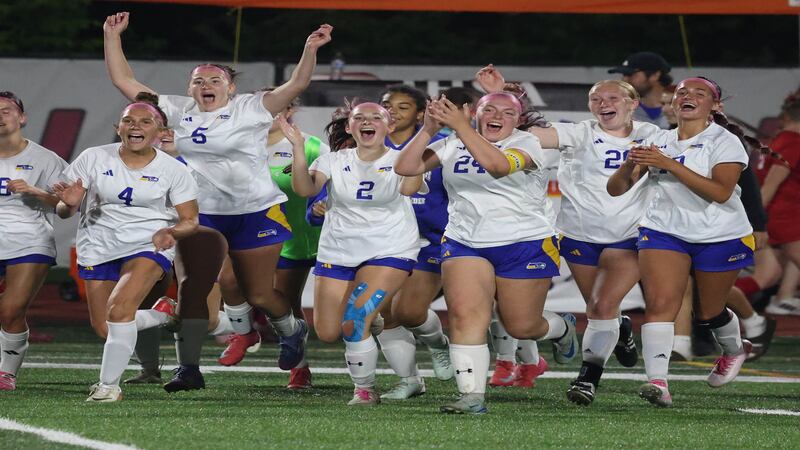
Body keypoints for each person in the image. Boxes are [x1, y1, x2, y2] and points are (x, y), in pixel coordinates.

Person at [102, 12, 332, 391]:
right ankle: (188, 369)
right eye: (198, 80)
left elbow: (298, 82)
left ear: (230, 88)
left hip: (256, 210)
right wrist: (113, 37)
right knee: (193, 288)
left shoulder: (252, 108)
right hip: (202, 214)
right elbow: (124, 81)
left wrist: (310, 48)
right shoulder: (176, 109)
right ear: (190, 88)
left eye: (215, 79)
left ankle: (292, 330)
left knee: (258, 292)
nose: (206, 84)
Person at [477, 66, 659, 404]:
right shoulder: (579, 132)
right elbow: (523, 131)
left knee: (602, 305)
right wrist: (505, 96)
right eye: (595, 99)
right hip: (579, 236)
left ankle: (587, 379)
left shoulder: (653, 135)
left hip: (630, 236)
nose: (603, 103)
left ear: (632, 104)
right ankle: (619, 329)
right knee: (599, 310)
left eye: (612, 98)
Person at [396, 92, 578, 414]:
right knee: (466, 317)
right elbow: (405, 167)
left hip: (524, 242)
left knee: (521, 325)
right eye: (489, 109)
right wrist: (427, 129)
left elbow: (497, 165)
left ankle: (563, 327)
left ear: (518, 120)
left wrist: (462, 129)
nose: (498, 116)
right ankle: (471, 395)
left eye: (508, 112)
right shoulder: (452, 141)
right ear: (477, 113)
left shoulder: (529, 143)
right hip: (465, 241)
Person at [608, 77, 754, 407]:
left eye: (699, 93)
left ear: (715, 106)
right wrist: (632, 162)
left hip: (720, 233)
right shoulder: (657, 138)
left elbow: (719, 192)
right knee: (660, 304)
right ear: (673, 103)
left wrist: (668, 164)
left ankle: (734, 349)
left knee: (709, 311)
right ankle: (658, 382)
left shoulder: (725, 142)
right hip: (663, 230)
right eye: (682, 92)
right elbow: (616, 189)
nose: (688, 96)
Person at [55, 97, 199, 402]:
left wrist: (171, 231)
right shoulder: (93, 157)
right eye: (129, 120)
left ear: (161, 131)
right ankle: (162, 313)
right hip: (97, 246)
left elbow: (190, 221)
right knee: (107, 329)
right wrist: (67, 204)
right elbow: (63, 210)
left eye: (145, 121)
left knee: (120, 311)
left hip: (148, 245)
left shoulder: (174, 169)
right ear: (118, 127)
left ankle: (108, 387)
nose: (136, 126)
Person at [285, 102, 424, 406]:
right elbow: (305, 189)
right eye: (359, 118)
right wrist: (297, 147)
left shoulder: (402, 159)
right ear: (349, 128)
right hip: (338, 249)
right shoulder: (332, 160)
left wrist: (427, 134)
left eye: (377, 117)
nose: (367, 122)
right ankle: (370, 323)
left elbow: (411, 189)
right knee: (327, 330)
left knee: (355, 319)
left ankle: (364, 389)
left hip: (391, 248)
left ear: (388, 127)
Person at [375, 84, 454, 400]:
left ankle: (438, 343)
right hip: (382, 241)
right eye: (387, 104)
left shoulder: (441, 146)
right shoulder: (368, 142)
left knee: (408, 311)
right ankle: (409, 380)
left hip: (428, 242)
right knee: (381, 314)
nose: (392, 111)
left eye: (402, 106)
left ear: (421, 114)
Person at [0, 91, 67, 391]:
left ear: (22, 117)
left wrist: (35, 191)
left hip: (29, 240)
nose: (1, 116)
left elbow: (67, 206)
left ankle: (7, 373)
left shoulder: (45, 159)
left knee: (11, 310)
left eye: (6, 110)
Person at [609, 52, 673, 129]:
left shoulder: (681, 110)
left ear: (655, 75)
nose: (624, 80)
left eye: (630, 74)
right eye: (623, 75)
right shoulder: (620, 112)